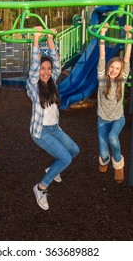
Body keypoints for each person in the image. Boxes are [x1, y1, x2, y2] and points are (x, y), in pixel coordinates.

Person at [26, 26, 80, 211]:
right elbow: (34, 67)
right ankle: (41, 187)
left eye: (47, 69)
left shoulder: (52, 82)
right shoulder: (33, 86)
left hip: (54, 128)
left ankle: (53, 169)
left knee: (74, 150)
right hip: (41, 132)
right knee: (66, 159)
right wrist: (36, 39)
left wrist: (50, 39)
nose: (46, 72)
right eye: (43, 69)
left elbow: (56, 63)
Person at [97, 23, 133, 183]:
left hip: (118, 118)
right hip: (102, 119)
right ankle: (104, 160)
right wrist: (103, 35)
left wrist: (129, 38)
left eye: (117, 69)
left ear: (121, 71)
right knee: (104, 152)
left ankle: (118, 166)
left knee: (113, 137)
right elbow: (102, 55)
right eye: (112, 67)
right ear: (108, 67)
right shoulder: (102, 79)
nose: (114, 70)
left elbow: (126, 58)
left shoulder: (121, 81)